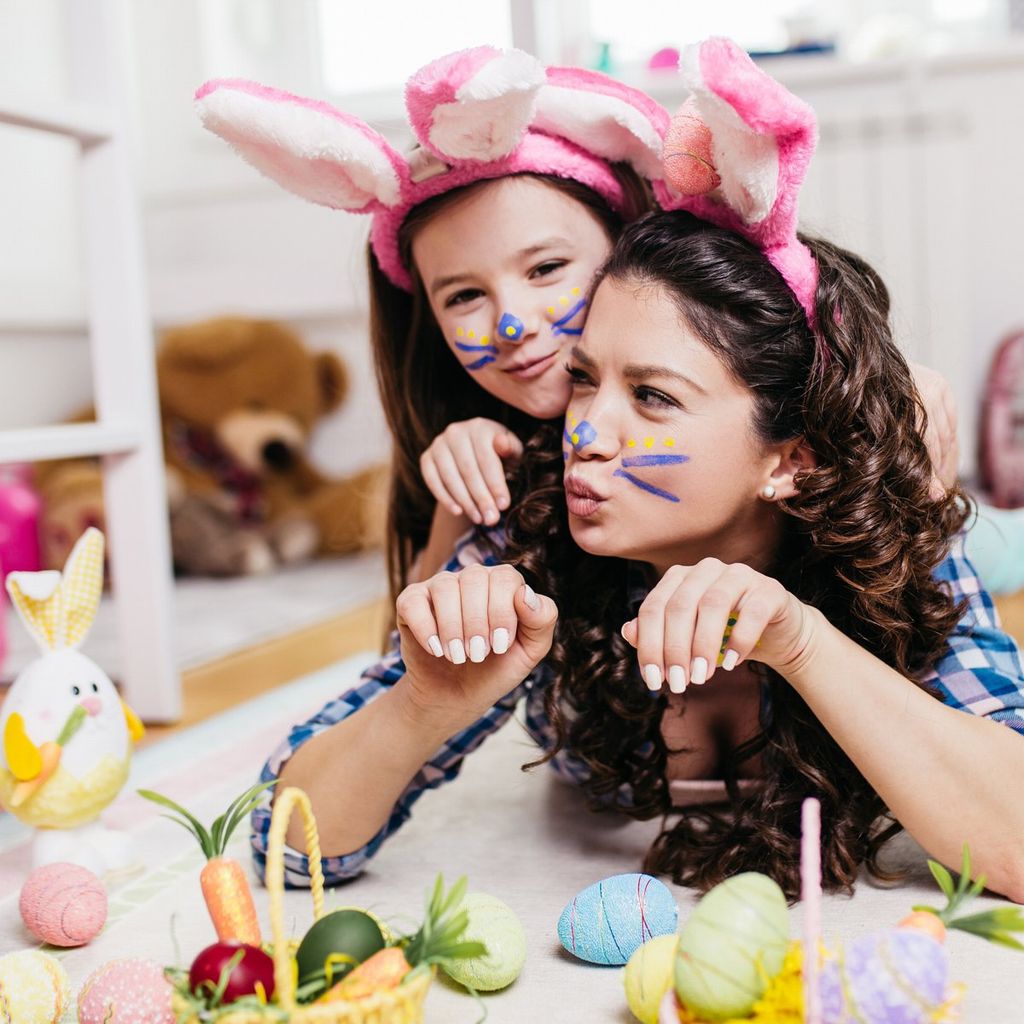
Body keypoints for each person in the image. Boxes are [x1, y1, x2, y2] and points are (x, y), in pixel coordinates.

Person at [200, 43, 1012, 896]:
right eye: (583, 381)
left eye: (653, 396)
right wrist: (423, 705)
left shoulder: (883, 516)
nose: (583, 431)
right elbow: (287, 846)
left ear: (795, 457)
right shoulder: (530, 520)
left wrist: (802, 641)